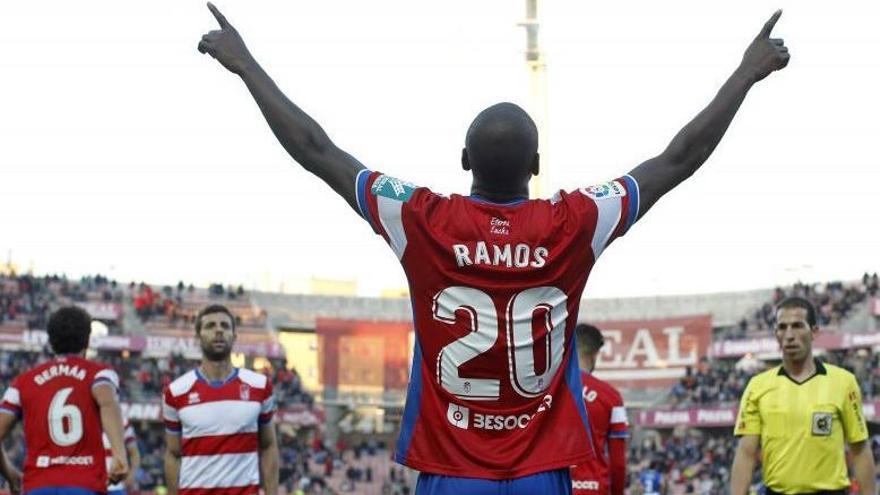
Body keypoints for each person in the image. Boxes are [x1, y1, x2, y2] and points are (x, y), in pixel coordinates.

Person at [198, 4, 789, 493]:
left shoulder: (420, 217)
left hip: (451, 467)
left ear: (463, 160)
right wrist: (745, 73)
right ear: (536, 164)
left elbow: (318, 150)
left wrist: (246, 65)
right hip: (540, 467)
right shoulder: (575, 221)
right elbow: (678, 159)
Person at [730, 297, 877, 495]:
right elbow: (746, 453)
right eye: (782, 327)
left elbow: (859, 450)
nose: (789, 335)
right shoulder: (758, 387)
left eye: (798, 326)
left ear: (814, 331)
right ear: (776, 335)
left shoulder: (843, 382)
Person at [0, 306, 129, 495]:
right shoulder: (99, 374)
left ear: (51, 342)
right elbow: (107, 400)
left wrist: (9, 472)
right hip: (85, 484)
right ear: (87, 340)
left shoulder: (22, 382)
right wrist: (119, 454)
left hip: (38, 485)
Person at [163, 304, 279, 495]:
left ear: (234, 336)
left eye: (225, 326)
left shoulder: (260, 386)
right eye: (210, 326)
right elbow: (173, 454)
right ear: (198, 336)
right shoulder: (175, 392)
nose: (218, 330)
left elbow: (268, 446)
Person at [570, 324, 628, 495]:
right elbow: (618, 463)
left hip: (555, 487)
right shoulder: (611, 397)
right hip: (594, 488)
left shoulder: (548, 391)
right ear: (595, 354)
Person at [103, 419, 140, 495]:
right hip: (90, 484)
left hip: (116, 486)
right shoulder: (87, 417)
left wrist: (131, 476)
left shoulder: (123, 420)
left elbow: (134, 454)